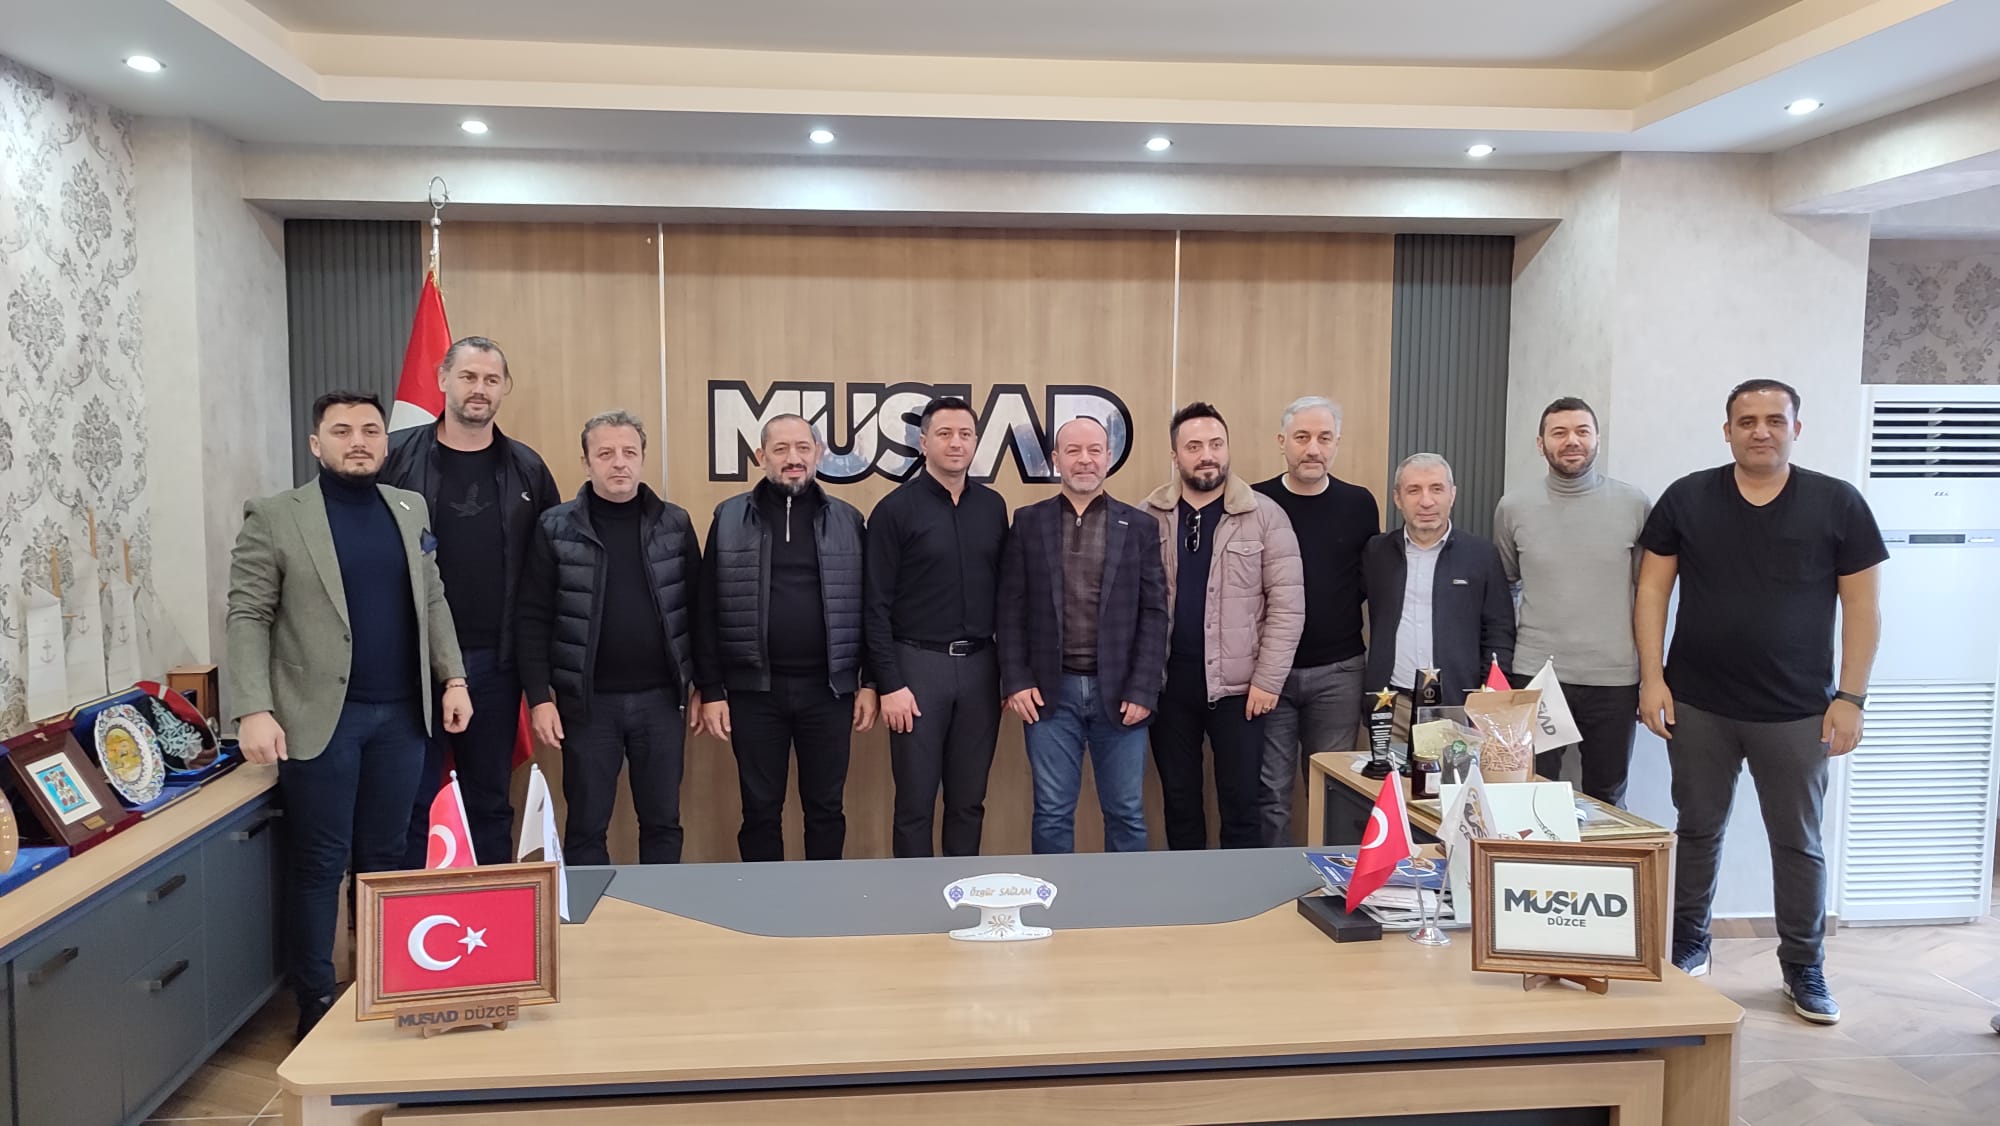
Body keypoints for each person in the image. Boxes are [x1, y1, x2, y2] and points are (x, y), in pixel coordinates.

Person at [1637, 378, 1885, 1026]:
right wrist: (1652, 679)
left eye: (1775, 419)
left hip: (1800, 711)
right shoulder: (1688, 497)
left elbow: (1862, 606)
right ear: (1727, 431)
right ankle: (1690, 944)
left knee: (1798, 843)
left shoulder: (1838, 503)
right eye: (1747, 421)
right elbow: (1652, 591)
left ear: (1796, 429)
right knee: (1697, 829)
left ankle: (1804, 965)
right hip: (1698, 705)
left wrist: (1851, 697)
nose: (1761, 431)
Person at [225, 391, 471, 1038]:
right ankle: (315, 1002)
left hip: (403, 720)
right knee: (320, 863)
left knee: (387, 859)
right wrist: (253, 708)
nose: (357, 441)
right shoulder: (275, 515)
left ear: (386, 442)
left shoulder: (409, 508)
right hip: (320, 720)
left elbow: (434, 600)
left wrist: (453, 678)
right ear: (317, 444)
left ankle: (388, 985)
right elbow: (248, 613)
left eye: (369, 430)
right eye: (341, 431)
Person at [380, 336, 561, 868]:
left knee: (489, 801)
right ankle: (413, 910)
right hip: (412, 664)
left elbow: (549, 568)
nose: (478, 389)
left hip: (496, 664)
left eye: (490, 379)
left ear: (504, 388)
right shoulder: (396, 457)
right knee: (410, 801)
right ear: (442, 380)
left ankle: (491, 910)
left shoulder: (528, 468)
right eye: (467, 377)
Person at [516, 410, 703, 865]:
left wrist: (707, 686)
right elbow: (533, 617)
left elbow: (699, 610)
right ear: (586, 462)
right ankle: (592, 911)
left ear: (642, 458)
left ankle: (659, 907)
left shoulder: (675, 524)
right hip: (587, 705)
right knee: (585, 825)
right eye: (605, 454)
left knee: (663, 822)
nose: (619, 462)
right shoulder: (555, 527)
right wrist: (539, 698)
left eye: (628, 452)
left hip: (662, 702)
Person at [694, 414, 877, 861]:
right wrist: (712, 689)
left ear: (818, 454)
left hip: (829, 691)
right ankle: (764, 900)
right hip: (755, 692)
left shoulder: (848, 520)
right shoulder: (729, 517)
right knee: (760, 811)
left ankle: (824, 897)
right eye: (780, 449)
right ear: (761, 456)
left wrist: (870, 682)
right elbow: (706, 607)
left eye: (802, 448)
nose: (793, 458)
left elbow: (871, 606)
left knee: (826, 809)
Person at [998, 416, 1169, 853]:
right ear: (1056, 459)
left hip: (1123, 695)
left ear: (1109, 458)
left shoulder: (1140, 526)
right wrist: (1016, 680)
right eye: (1073, 450)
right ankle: (1055, 896)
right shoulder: (1028, 522)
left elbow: (1154, 613)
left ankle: (1124, 899)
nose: (1085, 459)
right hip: (1050, 695)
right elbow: (1010, 608)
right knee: (1052, 812)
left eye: (1094, 450)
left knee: (1126, 811)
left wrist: (1144, 688)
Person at [1142, 402, 1303, 850]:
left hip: (1242, 692)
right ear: (1175, 455)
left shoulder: (1265, 515)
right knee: (1179, 803)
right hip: (1168, 687)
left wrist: (1267, 681)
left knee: (1242, 805)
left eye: (1216, 444)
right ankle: (1188, 892)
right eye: (1193, 446)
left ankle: (1239, 894)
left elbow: (1288, 606)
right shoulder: (1147, 516)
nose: (1206, 455)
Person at [864, 396, 1010, 857]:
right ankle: (913, 896)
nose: (956, 443)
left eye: (965, 434)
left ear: (976, 442)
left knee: (968, 801)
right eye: (944, 434)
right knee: (915, 804)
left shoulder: (992, 506)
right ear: (924, 443)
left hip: (981, 669)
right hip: (916, 670)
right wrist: (889, 684)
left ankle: (959, 890)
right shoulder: (894, 510)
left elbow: (1008, 597)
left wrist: (1009, 674)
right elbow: (874, 605)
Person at [1493, 397, 1649, 808]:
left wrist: (1651, 675)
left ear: (1597, 438)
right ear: (1540, 443)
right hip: (1537, 675)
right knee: (1531, 793)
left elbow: (1648, 592)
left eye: (1582, 431)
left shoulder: (1634, 505)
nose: (1572, 441)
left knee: (1607, 797)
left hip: (1614, 679)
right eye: (1559, 433)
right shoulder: (1513, 507)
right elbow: (1505, 585)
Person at [1252, 396, 1379, 846]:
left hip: (1338, 673)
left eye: (1324, 438)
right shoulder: (1256, 501)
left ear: (1337, 442)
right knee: (1270, 791)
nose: (1313, 449)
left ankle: (1331, 877)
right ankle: (1272, 879)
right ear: (1281, 441)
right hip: (1269, 675)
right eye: (1302, 437)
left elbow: (1365, 581)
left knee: (1334, 789)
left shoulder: (1359, 504)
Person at [1363, 453, 1514, 730]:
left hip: (1457, 706)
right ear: (1397, 498)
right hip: (1392, 704)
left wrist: (1488, 697)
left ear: (1452, 495)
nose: (1426, 501)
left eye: (1436, 489)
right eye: (1414, 490)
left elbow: (1499, 630)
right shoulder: (1377, 552)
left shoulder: (1481, 555)